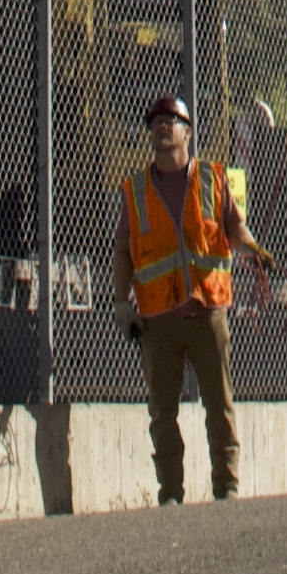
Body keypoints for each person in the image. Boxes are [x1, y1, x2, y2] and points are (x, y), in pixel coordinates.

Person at [115, 90, 276, 504]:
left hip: (207, 312)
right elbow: (123, 250)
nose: (163, 127)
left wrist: (254, 249)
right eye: (156, 122)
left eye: (172, 121)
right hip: (157, 320)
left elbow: (235, 227)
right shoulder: (134, 191)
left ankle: (227, 488)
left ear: (188, 133)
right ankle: (170, 493)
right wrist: (120, 302)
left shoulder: (213, 177)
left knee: (219, 407)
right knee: (162, 416)